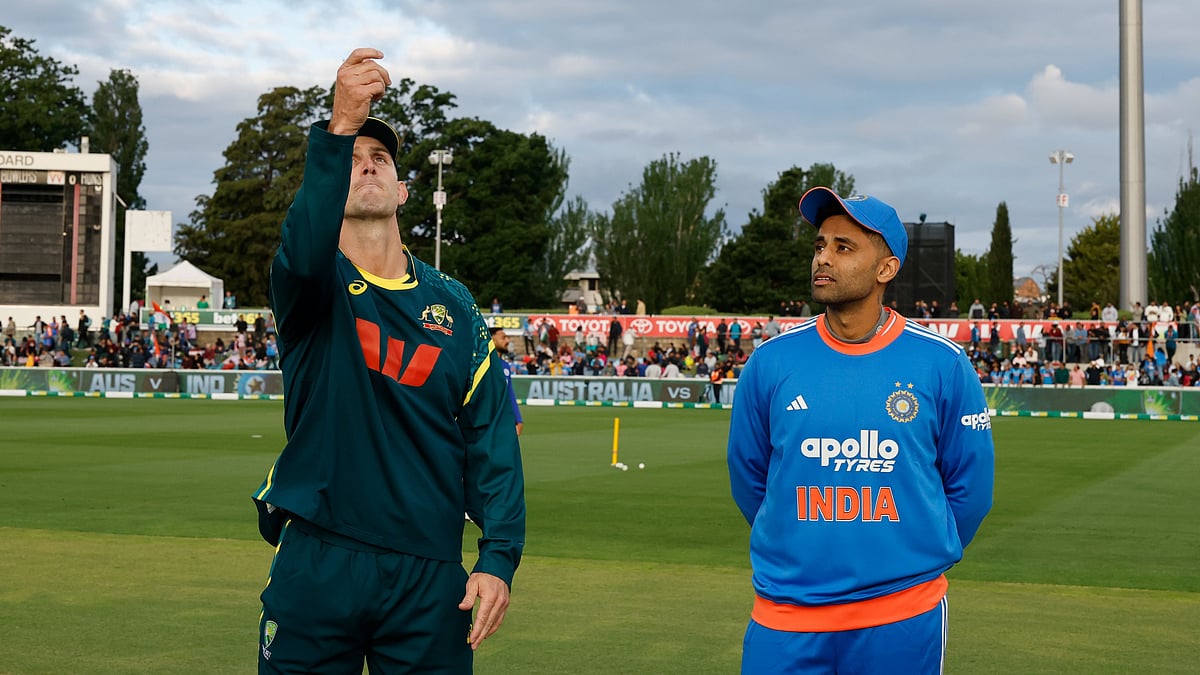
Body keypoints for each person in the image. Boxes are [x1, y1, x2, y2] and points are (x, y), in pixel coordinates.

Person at [251, 49, 525, 674]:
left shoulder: (455, 306)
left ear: (404, 190)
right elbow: (300, 248)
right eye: (351, 160)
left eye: (379, 159)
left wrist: (498, 556)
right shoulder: (310, 284)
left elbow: (491, 443)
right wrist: (340, 124)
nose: (366, 166)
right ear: (328, 184)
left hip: (429, 576)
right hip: (320, 556)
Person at [727, 187, 994, 674]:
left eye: (843, 247)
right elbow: (749, 480)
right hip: (785, 616)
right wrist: (800, 546)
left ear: (885, 269)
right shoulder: (770, 362)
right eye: (820, 246)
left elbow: (970, 491)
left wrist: (912, 554)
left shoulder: (942, 364)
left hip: (901, 614)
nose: (823, 258)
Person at [489, 326, 524, 436]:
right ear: (492, 340)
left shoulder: (505, 366)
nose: (508, 341)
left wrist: (518, 419)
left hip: (502, 423)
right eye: (503, 337)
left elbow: (509, 394)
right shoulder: (481, 365)